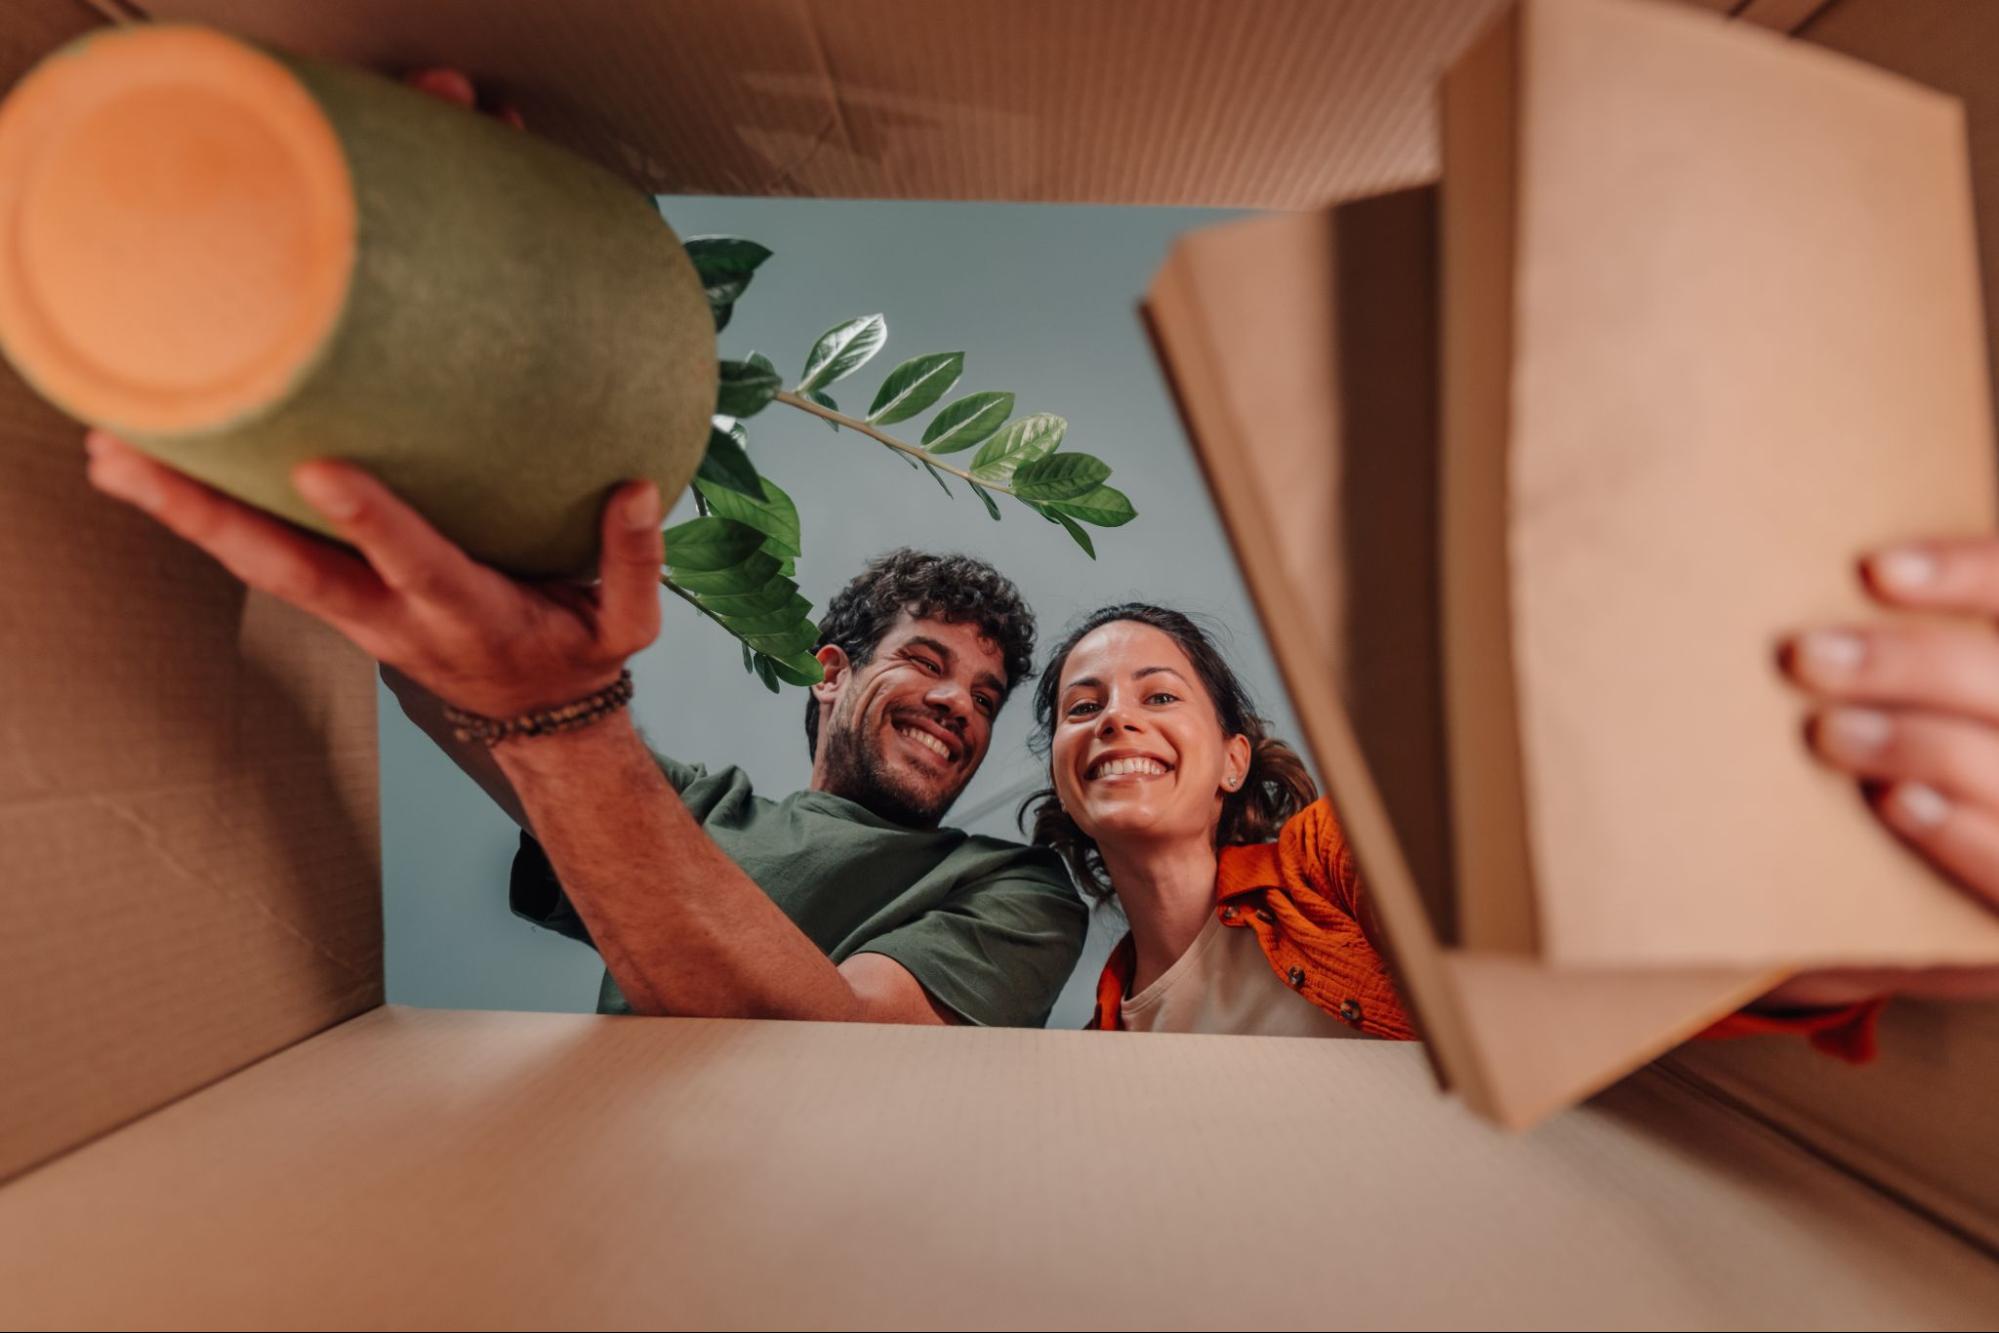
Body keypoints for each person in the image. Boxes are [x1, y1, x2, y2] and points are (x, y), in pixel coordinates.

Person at [83, 434, 1084, 1026]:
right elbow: (449, 687)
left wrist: (559, 713)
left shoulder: (1014, 887)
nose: (962, 703)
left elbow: (843, 1049)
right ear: (831, 674)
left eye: (988, 696)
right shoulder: (687, 808)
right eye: (927, 661)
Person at [1024, 595, 1999, 1043]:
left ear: (1233, 758)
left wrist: (1846, 932)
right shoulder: (1101, 1036)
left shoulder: (1322, 859)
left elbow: (1552, 913)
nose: (1115, 717)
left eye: (1158, 695)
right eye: (1083, 705)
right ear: (1066, 774)